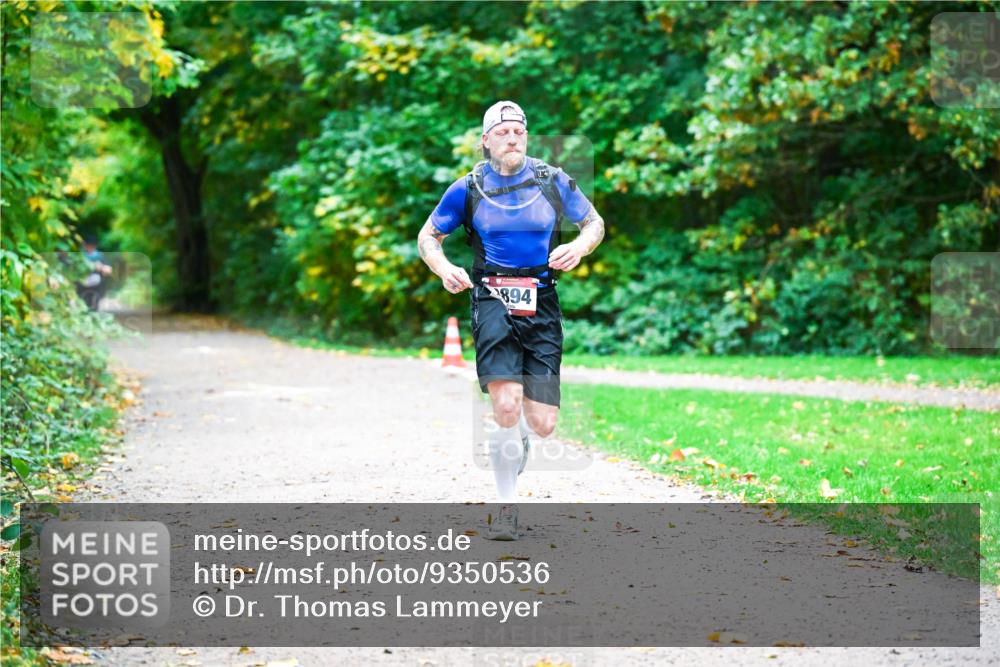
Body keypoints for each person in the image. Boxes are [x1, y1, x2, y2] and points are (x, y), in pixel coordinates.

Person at [417, 101, 605, 540]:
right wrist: (444, 268)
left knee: (543, 423)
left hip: (542, 299)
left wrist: (581, 247)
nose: (513, 137)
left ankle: (517, 431)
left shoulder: (551, 180)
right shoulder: (467, 188)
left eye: (519, 130)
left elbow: (594, 222)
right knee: (504, 403)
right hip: (490, 296)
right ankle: (506, 508)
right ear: (486, 140)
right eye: (502, 131)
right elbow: (429, 236)